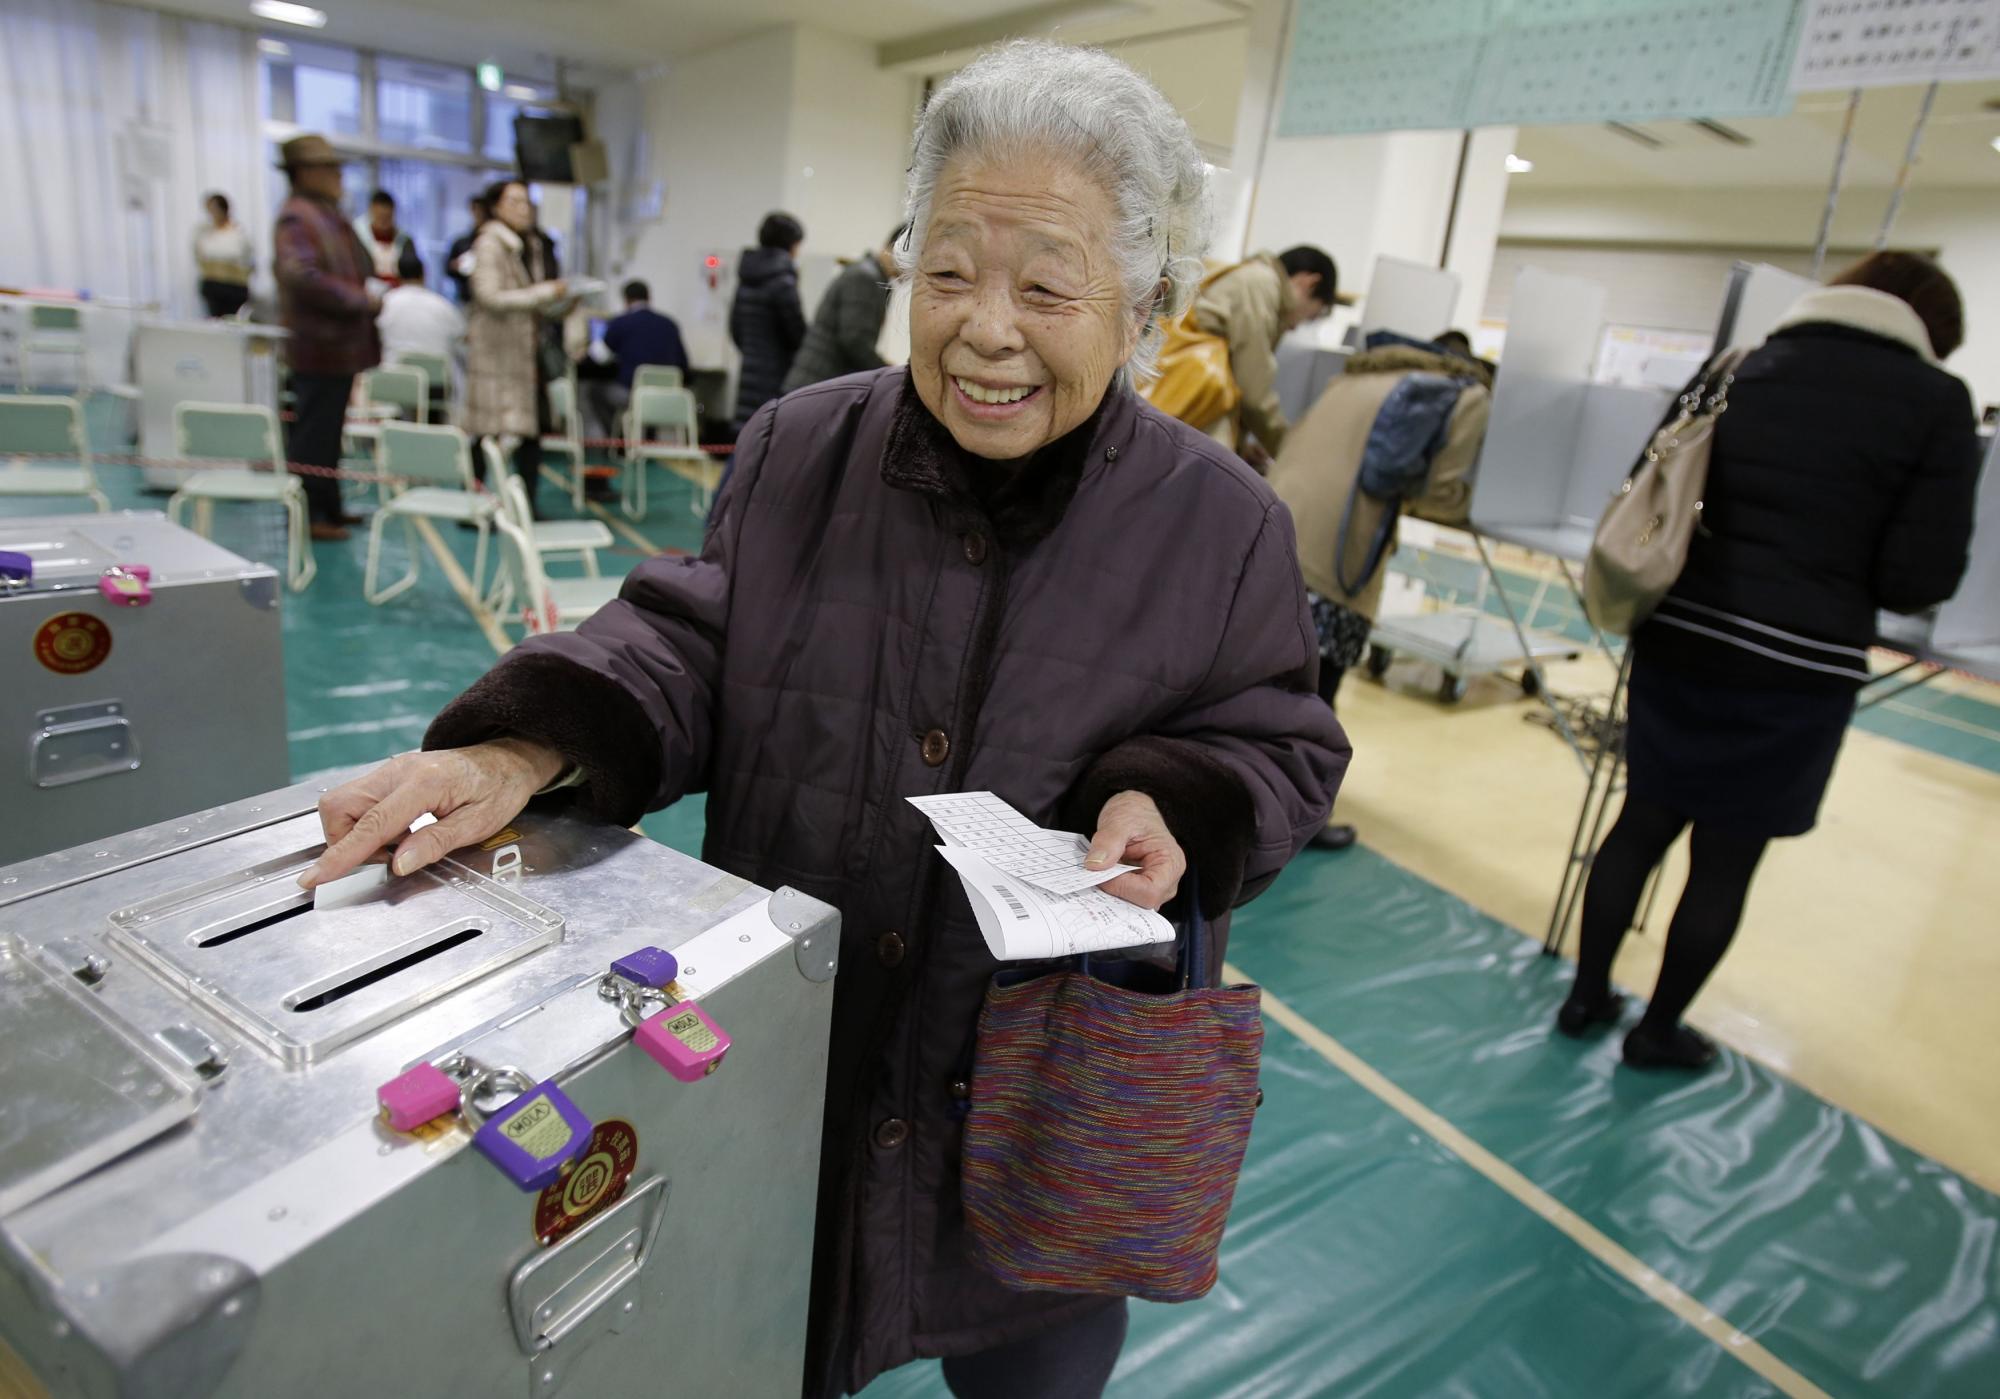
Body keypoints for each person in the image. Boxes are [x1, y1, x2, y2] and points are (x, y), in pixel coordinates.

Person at [298, 41, 1346, 1399]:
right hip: (795, 1062)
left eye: (1046, 284)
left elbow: (1279, 738)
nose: (984, 326)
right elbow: (684, 640)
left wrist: (1174, 796)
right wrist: (516, 740)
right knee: (748, 1340)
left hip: (1043, 1096)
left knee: (1036, 1366)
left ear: (1142, 297)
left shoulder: (1222, 525)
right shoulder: (803, 447)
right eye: (949, 268)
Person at [1558, 251, 1980, 1070]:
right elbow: (1916, 578)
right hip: (1799, 665)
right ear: (1932, 330)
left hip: (1682, 634)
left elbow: (1652, 486)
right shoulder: (1936, 401)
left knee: (1640, 821)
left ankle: (1585, 996)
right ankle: (1657, 1031)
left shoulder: (1739, 366)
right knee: (1725, 860)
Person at [1269, 332, 1494, 850]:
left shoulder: (1362, 371)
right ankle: (1300, 822)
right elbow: (1442, 493)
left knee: (1262, 684)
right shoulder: (1469, 396)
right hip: (1334, 554)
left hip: (1272, 527)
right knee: (1315, 701)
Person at [271, 134, 379, 541]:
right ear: (305, 173)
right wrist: (359, 301)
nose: (338, 177)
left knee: (329, 433)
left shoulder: (327, 214)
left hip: (337, 348)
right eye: (330, 169)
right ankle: (310, 513)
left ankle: (329, 507)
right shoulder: (297, 217)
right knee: (314, 434)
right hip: (317, 346)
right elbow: (301, 276)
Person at [463, 178, 569, 518]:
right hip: (496, 354)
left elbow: (534, 301)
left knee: (530, 430)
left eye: (527, 202)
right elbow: (489, 296)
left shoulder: (532, 245)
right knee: (485, 431)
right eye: (515, 202)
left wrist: (564, 299)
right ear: (497, 207)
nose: (524, 209)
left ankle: (527, 505)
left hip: (525, 354)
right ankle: (475, 505)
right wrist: (544, 293)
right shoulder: (490, 244)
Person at [1185, 245, 1337, 462]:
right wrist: (1290, 452)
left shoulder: (1253, 278)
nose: (1297, 327)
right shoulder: (1261, 285)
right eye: (1313, 316)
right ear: (1309, 283)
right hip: (1189, 414)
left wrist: (1240, 444)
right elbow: (1254, 391)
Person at [781, 227, 903, 393]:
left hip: (815, 382)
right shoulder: (865, 277)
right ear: (896, 249)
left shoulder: (869, 274)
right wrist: (888, 372)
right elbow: (854, 340)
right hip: (818, 382)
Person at [587, 279, 691, 445]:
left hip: (632, 394)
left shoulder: (620, 323)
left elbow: (598, 357)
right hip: (669, 396)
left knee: (595, 392)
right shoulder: (670, 324)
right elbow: (684, 365)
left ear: (626, 300)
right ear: (649, 298)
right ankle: (648, 439)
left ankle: (617, 439)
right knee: (646, 397)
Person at [729, 211, 806, 434]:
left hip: (749, 370)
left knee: (746, 439)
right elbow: (796, 334)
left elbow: (735, 329)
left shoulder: (746, 279)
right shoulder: (783, 281)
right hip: (778, 376)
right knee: (769, 437)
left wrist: (753, 353)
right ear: (791, 244)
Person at [376, 264, 464, 412]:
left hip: (393, 386)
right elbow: (462, 339)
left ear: (398, 275)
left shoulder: (386, 303)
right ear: (424, 275)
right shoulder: (443, 305)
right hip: (436, 389)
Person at [194, 192, 253, 318]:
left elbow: (247, 258)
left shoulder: (237, 233)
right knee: (215, 319)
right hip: (213, 283)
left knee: (233, 319)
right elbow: (199, 254)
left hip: (234, 285)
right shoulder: (204, 233)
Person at [354, 189, 416, 286]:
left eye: (387, 217)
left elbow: (412, 274)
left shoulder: (405, 240)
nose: (383, 222)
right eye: (380, 217)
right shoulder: (357, 236)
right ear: (371, 211)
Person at [447, 195, 488, 304]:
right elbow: (448, 269)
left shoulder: (494, 242)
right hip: (466, 297)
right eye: (475, 209)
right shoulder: (462, 243)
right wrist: (455, 266)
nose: (478, 214)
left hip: (487, 299)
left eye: (481, 210)